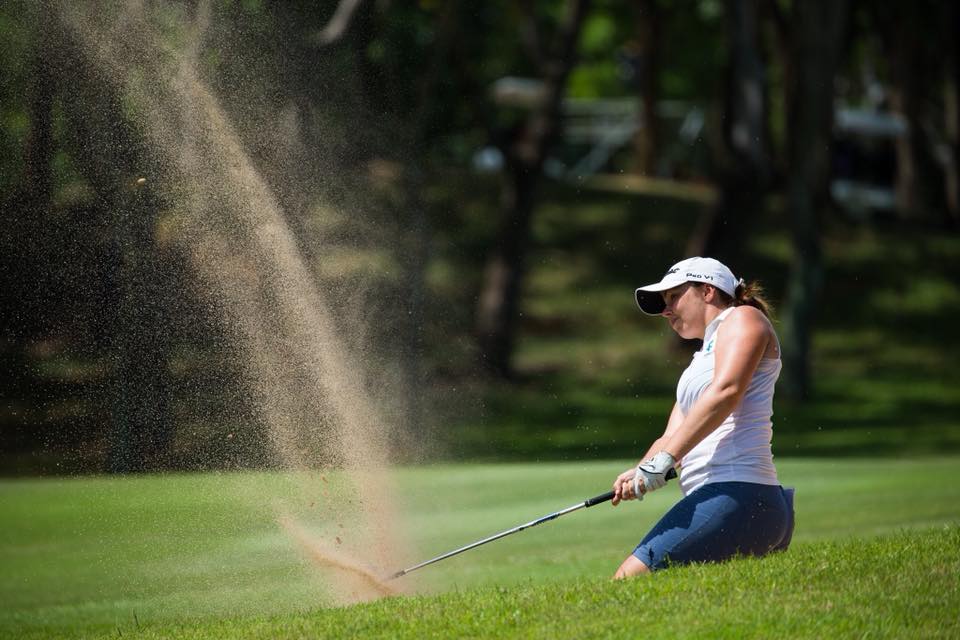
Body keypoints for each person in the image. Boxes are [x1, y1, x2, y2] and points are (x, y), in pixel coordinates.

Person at [610, 256, 795, 577]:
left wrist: (665, 460)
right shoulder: (700, 359)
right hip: (723, 498)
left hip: (740, 492)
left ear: (707, 291)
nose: (666, 309)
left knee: (627, 583)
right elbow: (671, 435)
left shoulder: (743, 318)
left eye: (674, 296)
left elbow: (726, 391)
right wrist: (640, 469)